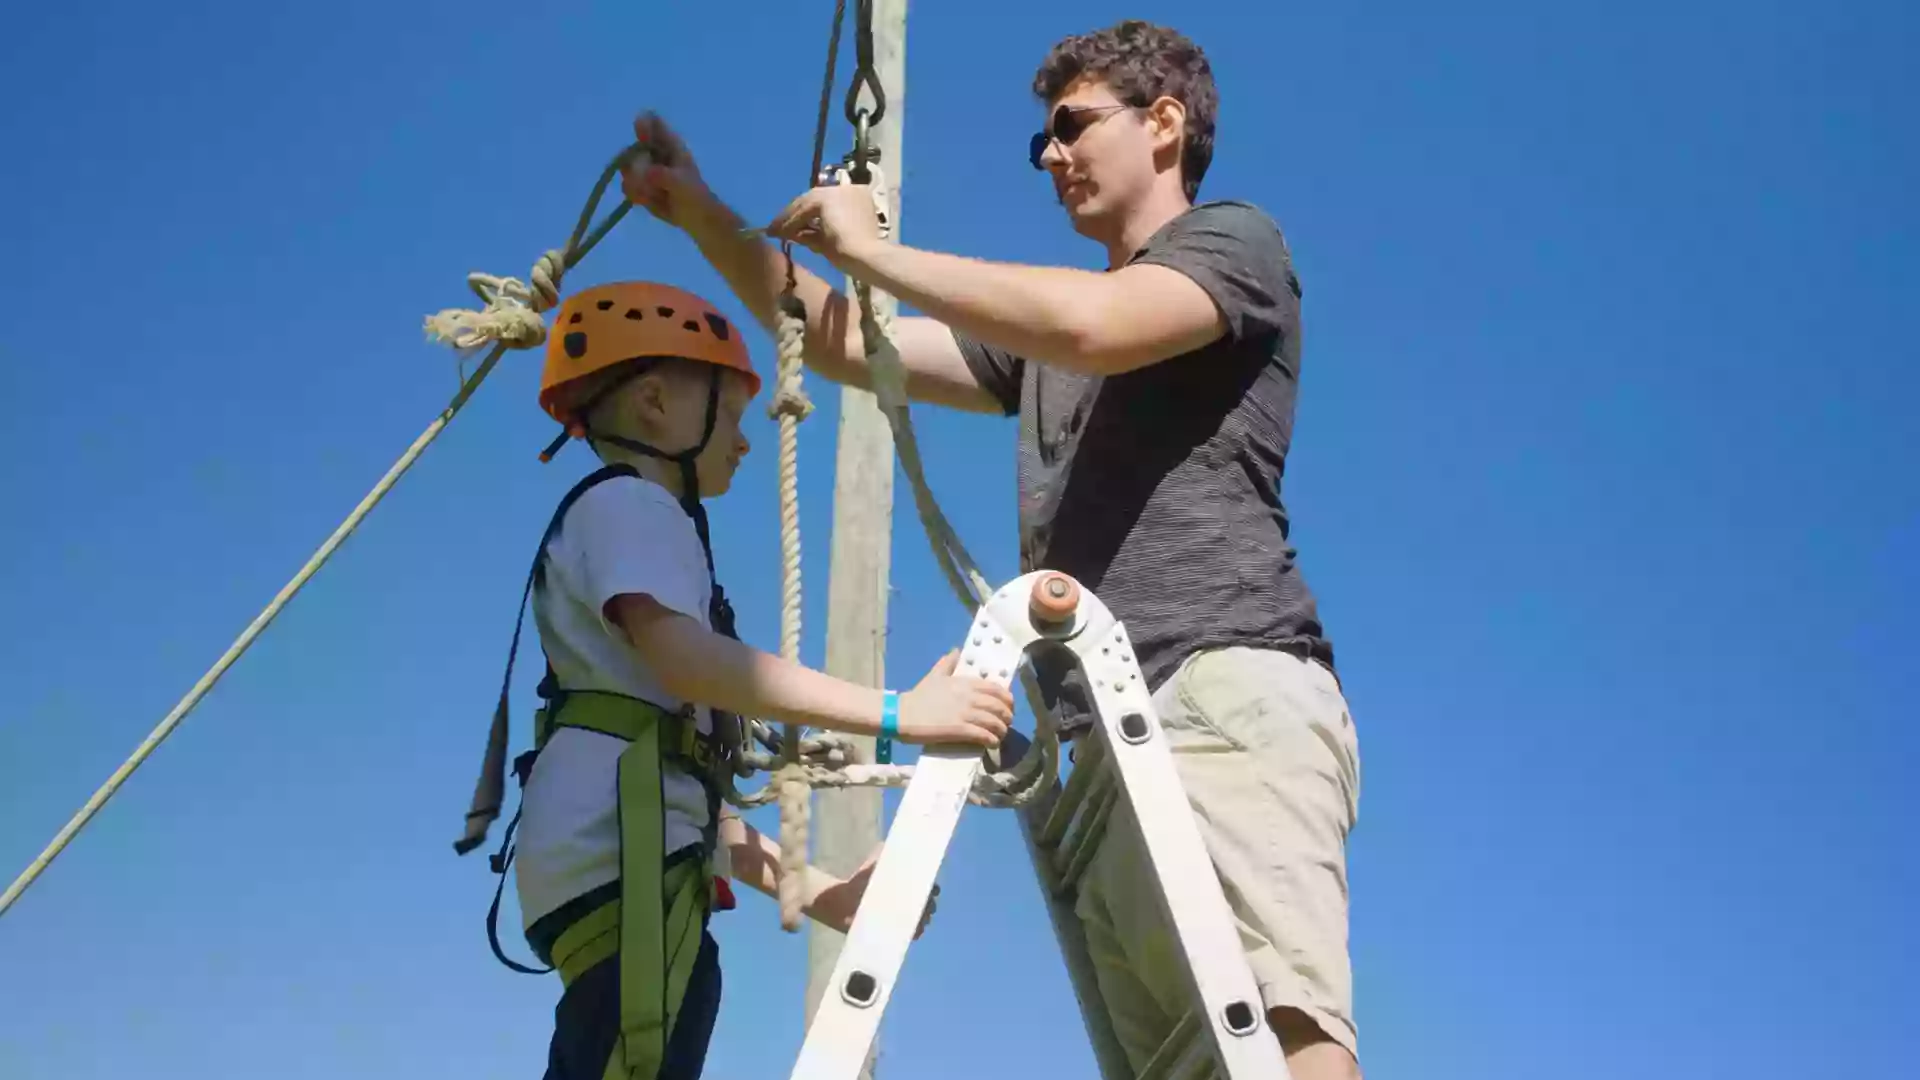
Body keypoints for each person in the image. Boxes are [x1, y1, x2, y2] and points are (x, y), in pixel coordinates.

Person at [619, 18, 1364, 1080]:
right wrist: (701, 215)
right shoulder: (1045, 345)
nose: (1050, 155)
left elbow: (1097, 326)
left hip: (1218, 693)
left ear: (1163, 125)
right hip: (1108, 733)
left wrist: (875, 251)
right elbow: (840, 341)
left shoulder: (1234, 246)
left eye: (1070, 126)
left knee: (1282, 1042)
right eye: (1040, 141)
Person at [452, 280, 1016, 1080]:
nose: (748, 442)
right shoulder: (635, 506)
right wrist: (899, 715)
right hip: (624, 867)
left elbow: (684, 791)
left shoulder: (622, 525)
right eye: (732, 412)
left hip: (618, 864)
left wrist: (821, 893)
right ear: (652, 401)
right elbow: (695, 665)